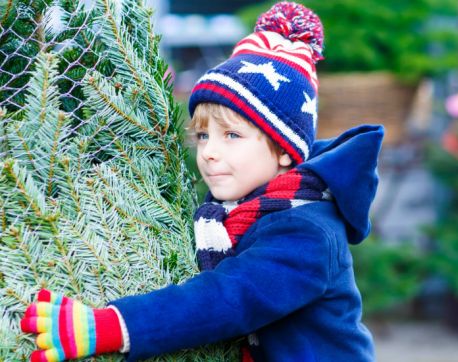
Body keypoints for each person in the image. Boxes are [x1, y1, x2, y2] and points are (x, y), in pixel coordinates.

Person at [20, 2, 382, 361]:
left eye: (231, 136)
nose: (208, 152)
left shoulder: (307, 231)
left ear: (284, 150)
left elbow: (229, 298)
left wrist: (110, 326)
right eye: (203, 136)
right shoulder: (241, 209)